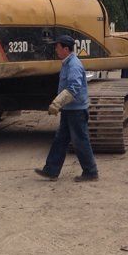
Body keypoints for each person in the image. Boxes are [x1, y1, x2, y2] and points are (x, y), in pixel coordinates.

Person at [35, 35, 99, 182]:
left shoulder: (74, 65)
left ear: (65, 49)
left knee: (80, 141)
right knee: (60, 140)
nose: (55, 50)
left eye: (57, 47)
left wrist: (57, 103)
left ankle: (91, 172)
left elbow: (74, 87)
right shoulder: (67, 63)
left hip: (76, 110)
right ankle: (51, 170)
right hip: (70, 109)